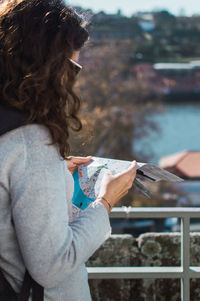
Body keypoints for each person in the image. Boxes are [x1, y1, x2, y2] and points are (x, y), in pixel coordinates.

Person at [0, 0, 137, 300]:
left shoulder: (7, 130)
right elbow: (53, 265)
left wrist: (55, 174)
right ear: (47, 67)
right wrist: (106, 201)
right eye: (73, 67)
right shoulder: (30, 141)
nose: (75, 78)